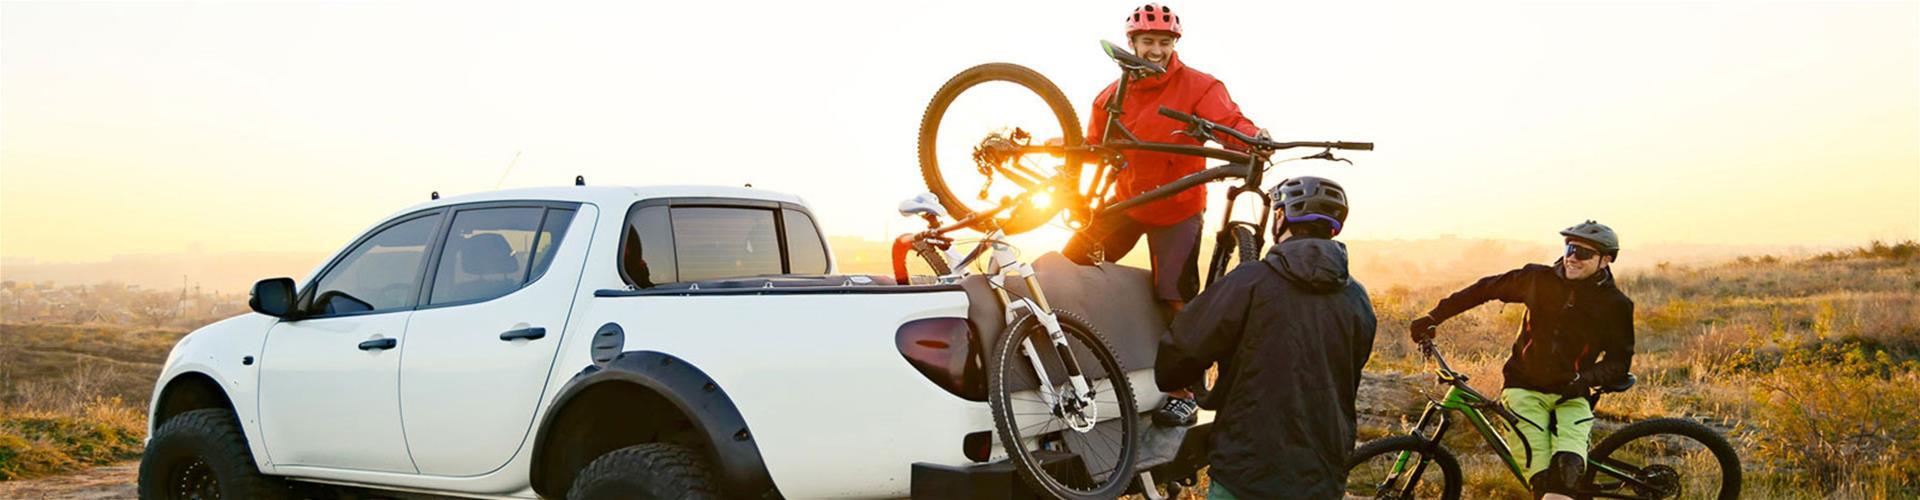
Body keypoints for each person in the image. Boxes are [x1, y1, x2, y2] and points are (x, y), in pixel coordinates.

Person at [1063, 2, 1266, 427]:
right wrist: (1068, 174)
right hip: (1127, 203)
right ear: (1131, 43)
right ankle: (1071, 365)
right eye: (1147, 42)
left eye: (1162, 42)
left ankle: (1183, 393)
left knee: (1174, 297)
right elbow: (1092, 147)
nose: (1155, 51)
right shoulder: (1109, 98)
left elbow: (1230, 121)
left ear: (1174, 44)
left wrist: (1253, 139)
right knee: (1068, 267)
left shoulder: (1199, 86)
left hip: (1178, 205)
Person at [1155, 177, 1376, 499]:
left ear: (1281, 217)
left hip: (1247, 468)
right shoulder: (1357, 297)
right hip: (1322, 472)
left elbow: (1184, 349)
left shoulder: (1251, 280)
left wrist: (1175, 380)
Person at [1409, 221, 1635, 499]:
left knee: (1567, 473)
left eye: (1584, 253)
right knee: (1544, 484)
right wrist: (1434, 317)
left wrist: (1583, 380)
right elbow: (1484, 289)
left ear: (1606, 260)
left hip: (1572, 397)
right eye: (1570, 248)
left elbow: (1619, 361)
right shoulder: (1537, 279)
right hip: (1523, 389)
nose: (1573, 257)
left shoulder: (1616, 305)